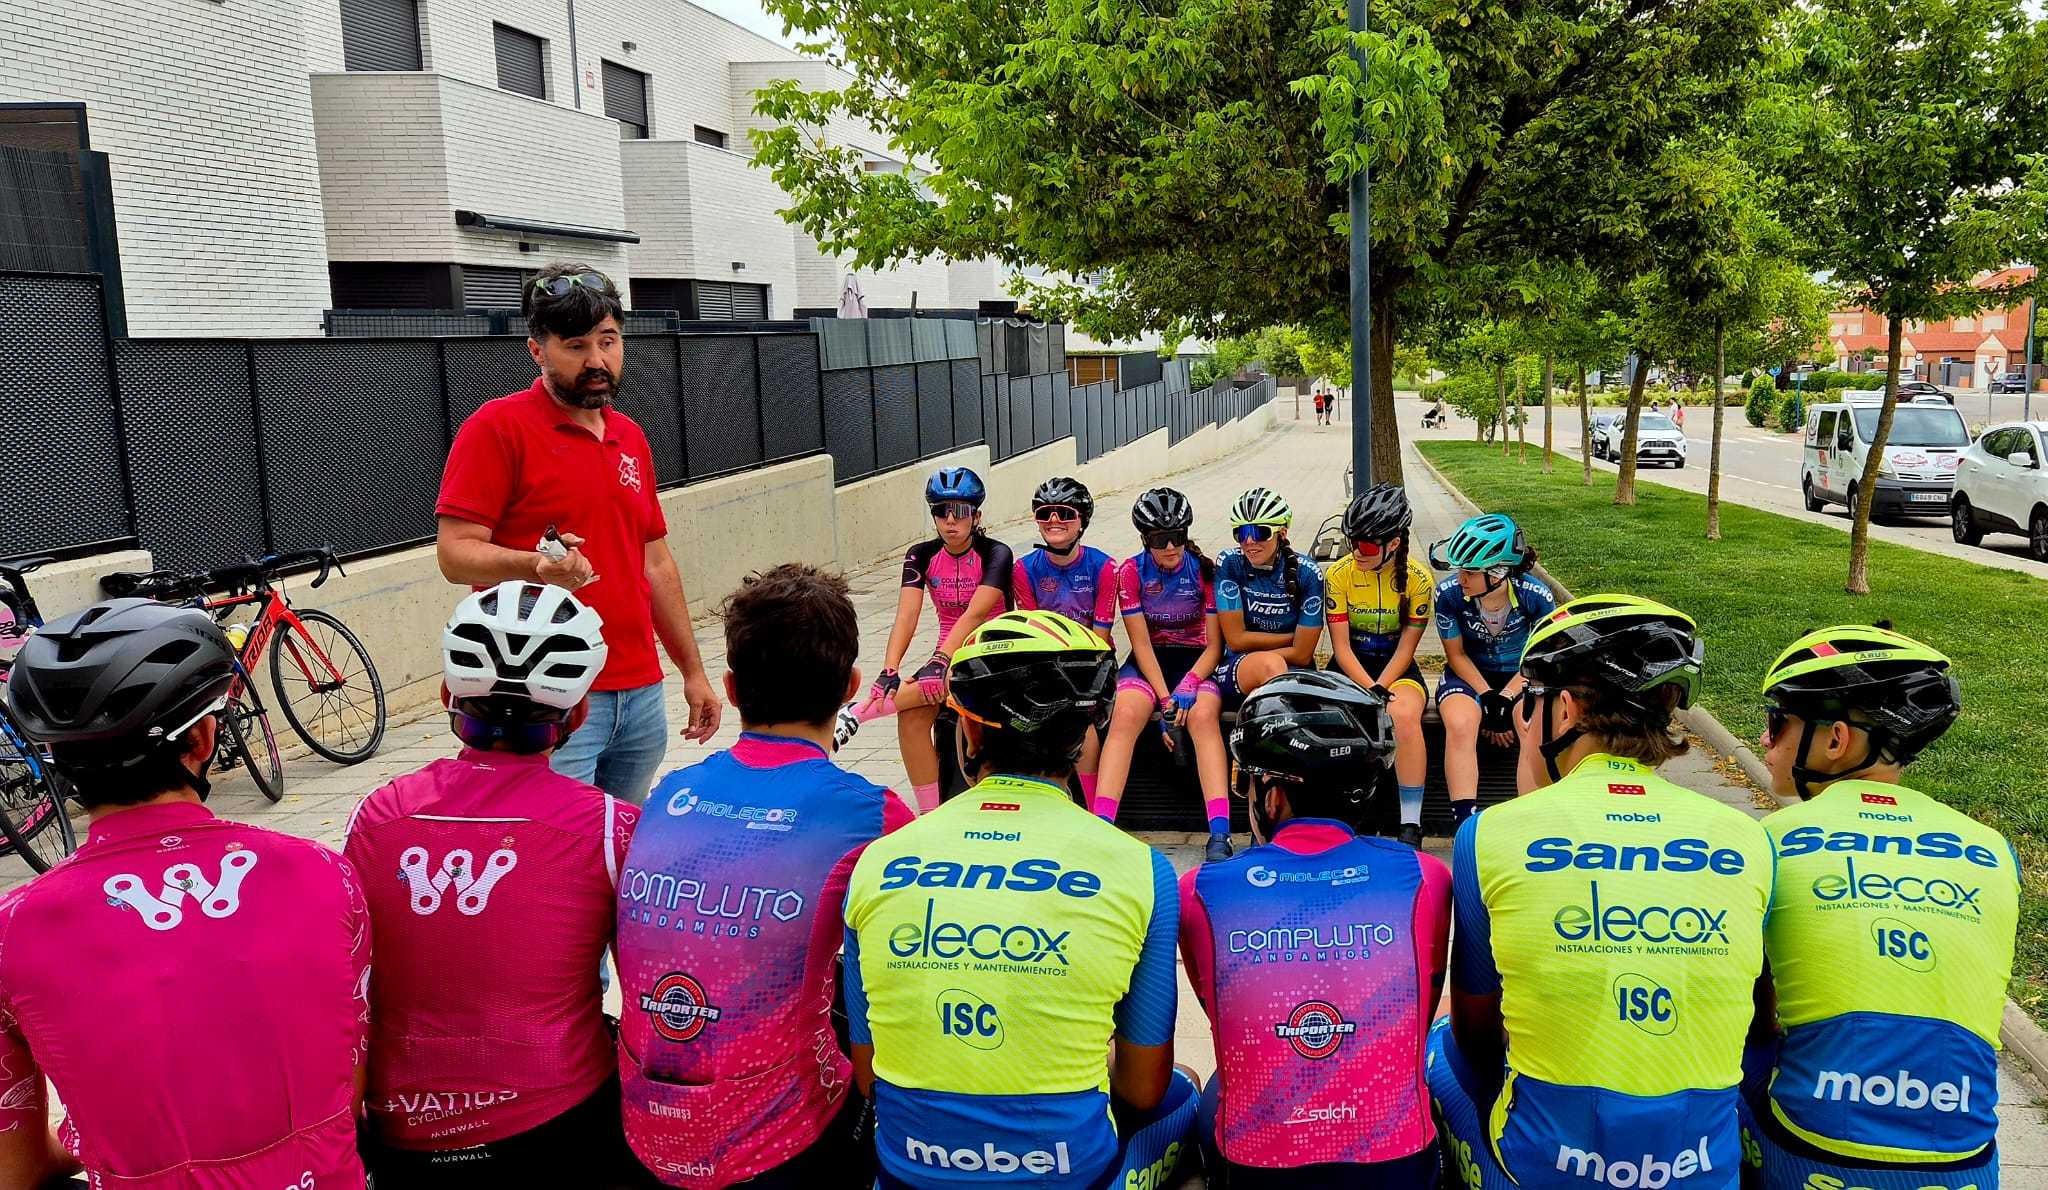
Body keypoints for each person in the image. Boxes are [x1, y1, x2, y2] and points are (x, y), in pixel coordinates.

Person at [0, 599, 371, 1188]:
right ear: (202, 739)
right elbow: (345, 1097)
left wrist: (93, 1135)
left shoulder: (12, 927)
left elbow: (15, 1168)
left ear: (57, 764)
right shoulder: (324, 872)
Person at [1429, 594, 1772, 1189]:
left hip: (1547, 1168)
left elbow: (1475, 1038)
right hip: (1698, 1167)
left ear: (1562, 709)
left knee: (1437, 1052)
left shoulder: (1486, 834)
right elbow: (1757, 1030)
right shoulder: (1748, 837)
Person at [842, 611, 1180, 1190]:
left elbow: (871, 1075)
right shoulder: (1143, 868)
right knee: (1184, 1092)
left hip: (908, 1169)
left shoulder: (877, 860)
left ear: (969, 732)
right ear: (1082, 737)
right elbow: (1141, 1088)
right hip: (1068, 1172)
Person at [619, 564, 913, 1189]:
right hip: (784, 1141)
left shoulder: (669, 792)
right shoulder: (874, 814)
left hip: (645, 1130)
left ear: (729, 687)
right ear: (851, 685)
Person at [346, 581, 644, 1187]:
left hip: (400, 1123)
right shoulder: (614, 827)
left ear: (445, 695)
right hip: (559, 1117)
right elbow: (645, 999)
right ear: (579, 713)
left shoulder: (374, 817)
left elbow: (351, 989)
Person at [435, 261, 721, 805]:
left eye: (608, 341)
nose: (597, 361)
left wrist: (693, 671)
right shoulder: (497, 428)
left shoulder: (630, 436)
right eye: (576, 346)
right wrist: (533, 565)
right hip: (540, 697)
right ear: (537, 350)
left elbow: (654, 563)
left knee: (617, 850)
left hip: (638, 691)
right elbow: (455, 555)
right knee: (549, 857)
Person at [1747, 624, 2014, 1187]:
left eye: (1778, 722)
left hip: (1815, 1150)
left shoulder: (1769, 841)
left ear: (1836, 738)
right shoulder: (1994, 848)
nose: (1767, 742)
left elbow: (1748, 1013)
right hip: (1966, 1155)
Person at [1180, 671, 1450, 1189]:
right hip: (1399, 1167)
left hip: (1257, 1170)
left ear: (1274, 795)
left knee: (1212, 1083)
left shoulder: (1200, 889)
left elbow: (1224, 1013)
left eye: (1246, 781)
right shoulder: (1428, 877)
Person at [843, 466, 1013, 813]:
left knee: (944, 679)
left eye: (961, 511)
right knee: (912, 717)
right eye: (941, 511)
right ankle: (930, 814)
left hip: (993, 649)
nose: (951, 520)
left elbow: (975, 614)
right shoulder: (920, 554)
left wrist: (940, 662)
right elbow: (906, 615)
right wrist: (889, 670)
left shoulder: (997, 553)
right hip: (948, 654)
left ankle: (857, 713)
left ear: (977, 515)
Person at [1093, 487, 1224, 829]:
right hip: (1149, 663)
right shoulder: (1131, 572)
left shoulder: (1204, 570)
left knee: (1203, 717)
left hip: (1195, 662)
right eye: (1160, 539)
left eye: (1177, 537)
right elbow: (1141, 644)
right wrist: (1167, 701)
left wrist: (1189, 684)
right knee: (1124, 714)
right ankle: (1101, 825)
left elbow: (1215, 646)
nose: (1170, 547)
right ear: (1144, 539)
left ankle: (1220, 831)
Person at [1207, 487, 1324, 860]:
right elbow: (1236, 639)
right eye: (1241, 533)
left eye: (1259, 533)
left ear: (1282, 533)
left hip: (1291, 678)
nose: (1249, 542)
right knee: (1274, 669)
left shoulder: (1308, 573)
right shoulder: (1229, 563)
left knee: (1283, 724)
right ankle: (1263, 830)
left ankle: (1279, 822)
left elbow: (1306, 655)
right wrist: (1292, 635)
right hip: (1240, 670)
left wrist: (1294, 645)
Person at [1323, 484, 1435, 846]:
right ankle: (1337, 814)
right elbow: (1340, 647)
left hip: (1396, 667)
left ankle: (1410, 824)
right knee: (1334, 718)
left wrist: (1380, 689)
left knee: (1402, 717)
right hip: (1350, 663)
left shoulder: (1418, 581)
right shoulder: (1338, 575)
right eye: (1352, 541)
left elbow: (1406, 649)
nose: (1357, 551)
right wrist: (1366, 689)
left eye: (1368, 545)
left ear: (1395, 543)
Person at [1428, 513, 1556, 827]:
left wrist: (1505, 699)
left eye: (1469, 573)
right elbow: (1456, 654)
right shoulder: (1448, 595)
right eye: (1459, 571)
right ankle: (1464, 824)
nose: (1460, 579)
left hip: (1522, 674)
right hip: (1469, 673)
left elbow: (1539, 657)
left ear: (1498, 573)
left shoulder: (1537, 597)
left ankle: (1532, 820)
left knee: (1528, 723)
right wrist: (1487, 696)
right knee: (1460, 722)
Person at [1011, 476, 1118, 810]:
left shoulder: (1104, 566)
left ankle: (1089, 807)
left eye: (1064, 513)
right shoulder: (1023, 569)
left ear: (1082, 521)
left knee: (1078, 716)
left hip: (1093, 662)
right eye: (1045, 514)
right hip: (1045, 660)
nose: (1054, 520)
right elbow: (1031, 633)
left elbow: (1100, 638)